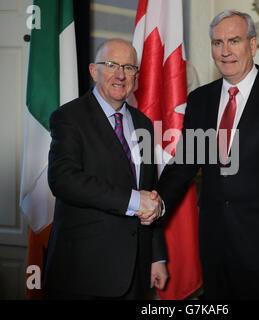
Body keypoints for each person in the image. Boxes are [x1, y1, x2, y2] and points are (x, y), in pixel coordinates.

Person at [154, 10, 259, 299]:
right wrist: (155, 200)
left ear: (252, 45)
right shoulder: (200, 100)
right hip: (213, 241)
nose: (225, 51)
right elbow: (184, 165)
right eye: (217, 43)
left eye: (234, 41)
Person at [43, 39, 168, 299]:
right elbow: (63, 179)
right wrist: (135, 201)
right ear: (93, 70)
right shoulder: (69, 117)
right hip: (85, 273)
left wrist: (156, 256)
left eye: (129, 67)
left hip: (135, 271)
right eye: (111, 65)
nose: (121, 74)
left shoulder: (143, 123)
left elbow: (150, 190)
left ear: (136, 75)